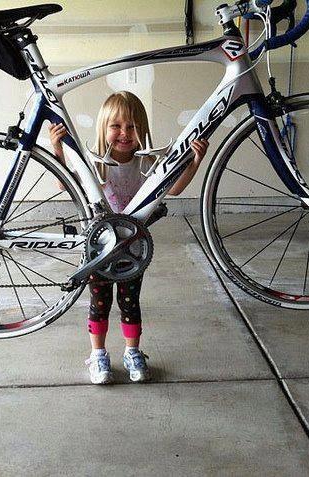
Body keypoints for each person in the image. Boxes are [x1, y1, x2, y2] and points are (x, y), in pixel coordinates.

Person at [48, 91, 208, 384]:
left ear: (142, 130)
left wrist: (195, 161)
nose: (124, 133)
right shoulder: (95, 163)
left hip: (132, 250)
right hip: (98, 250)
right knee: (99, 304)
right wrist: (57, 149)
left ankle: (132, 352)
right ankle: (98, 354)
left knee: (130, 303)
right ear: (103, 128)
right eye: (116, 126)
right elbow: (63, 184)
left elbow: (173, 189)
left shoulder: (147, 164)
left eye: (132, 127)